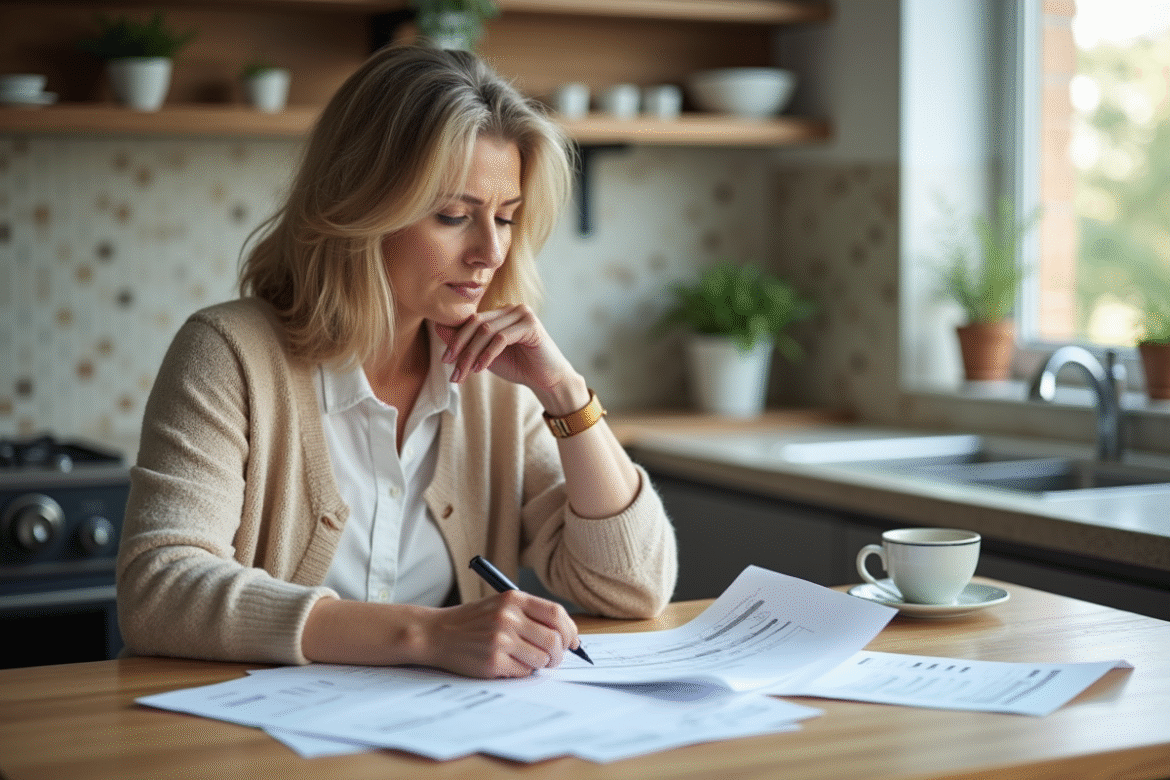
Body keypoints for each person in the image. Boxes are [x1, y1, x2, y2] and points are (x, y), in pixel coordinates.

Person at [115, 44, 677, 679]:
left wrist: (565, 393)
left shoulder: (497, 381)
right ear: (360, 208)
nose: (489, 252)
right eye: (453, 216)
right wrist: (424, 634)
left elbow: (633, 588)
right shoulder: (228, 354)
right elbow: (158, 591)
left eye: (507, 218)